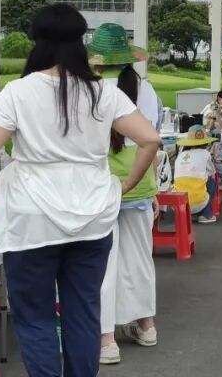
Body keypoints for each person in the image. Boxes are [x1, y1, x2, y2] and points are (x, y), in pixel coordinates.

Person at [0, 4, 161, 377]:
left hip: (31, 219)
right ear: (81, 41)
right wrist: (125, 184)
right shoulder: (102, 92)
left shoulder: (18, 91)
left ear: (37, 41)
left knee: (36, 316)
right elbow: (150, 139)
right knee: (83, 312)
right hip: (92, 217)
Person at [85, 23, 162, 364]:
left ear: (97, 59)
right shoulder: (145, 89)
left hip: (100, 184)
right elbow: (153, 138)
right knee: (139, 259)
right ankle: (146, 325)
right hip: (139, 182)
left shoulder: (89, 90)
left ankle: (106, 341)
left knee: (101, 264)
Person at [173, 125, 219, 224]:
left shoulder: (181, 155)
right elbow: (212, 172)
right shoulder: (206, 153)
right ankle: (205, 214)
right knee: (211, 182)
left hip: (179, 204)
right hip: (198, 201)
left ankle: (185, 214)